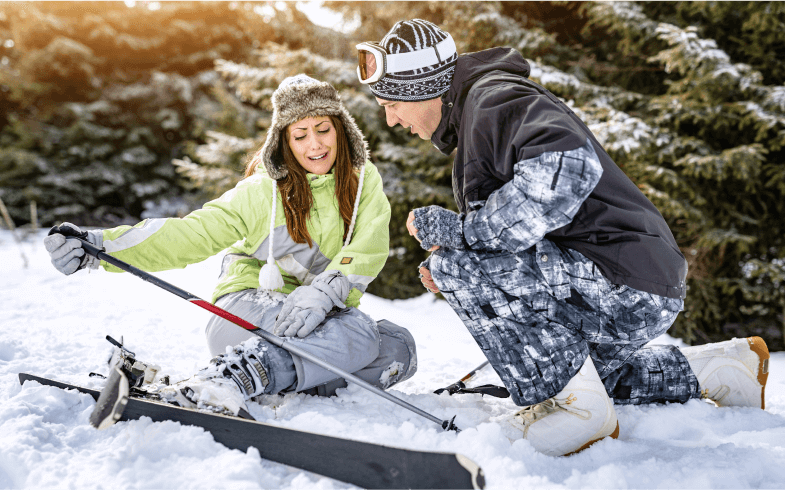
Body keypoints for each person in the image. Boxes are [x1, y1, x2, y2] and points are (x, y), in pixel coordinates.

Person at [355, 19, 770, 456]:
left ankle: (574, 412)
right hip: (637, 278)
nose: (392, 119)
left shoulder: (495, 100)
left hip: (620, 276)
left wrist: (463, 239)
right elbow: (531, 227)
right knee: (580, 370)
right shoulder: (481, 108)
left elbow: (568, 169)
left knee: (458, 265)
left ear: (420, 89)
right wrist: (477, 260)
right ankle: (723, 369)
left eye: (392, 103)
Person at [43, 74, 417, 413]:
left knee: (399, 348)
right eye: (300, 135)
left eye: (323, 130)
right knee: (357, 333)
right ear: (284, 142)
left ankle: (267, 380)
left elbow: (367, 248)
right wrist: (99, 247)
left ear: (341, 130)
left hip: (320, 318)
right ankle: (232, 379)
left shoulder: (362, 181)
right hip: (247, 314)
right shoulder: (262, 191)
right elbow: (189, 234)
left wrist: (324, 293)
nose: (315, 145)